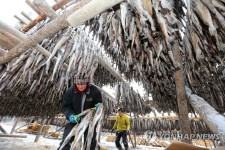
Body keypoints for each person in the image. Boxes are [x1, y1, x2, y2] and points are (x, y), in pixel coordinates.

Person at [58, 77, 102, 150]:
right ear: (75, 83)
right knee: (65, 142)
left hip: (89, 122)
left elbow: (99, 104)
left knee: (91, 143)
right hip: (74, 121)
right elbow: (66, 107)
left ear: (87, 82)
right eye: (78, 84)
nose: (81, 86)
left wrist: (98, 108)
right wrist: (70, 115)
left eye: (83, 84)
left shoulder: (95, 91)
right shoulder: (70, 92)